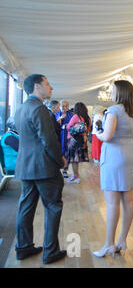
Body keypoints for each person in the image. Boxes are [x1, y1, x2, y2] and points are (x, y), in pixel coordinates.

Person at [14, 74, 67, 264]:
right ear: (37, 86)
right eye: (47, 84)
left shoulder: (20, 109)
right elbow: (48, 140)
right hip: (44, 167)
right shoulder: (40, 109)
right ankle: (50, 251)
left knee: (26, 208)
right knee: (53, 207)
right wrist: (60, 160)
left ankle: (24, 247)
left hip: (26, 166)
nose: (51, 88)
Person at [93, 80, 133, 258]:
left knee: (112, 202)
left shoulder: (113, 111)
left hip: (113, 157)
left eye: (112, 90)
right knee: (128, 200)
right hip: (129, 156)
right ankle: (122, 240)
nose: (111, 93)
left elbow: (107, 136)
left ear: (120, 92)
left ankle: (108, 244)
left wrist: (97, 132)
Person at [65, 102, 91, 183]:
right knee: (77, 159)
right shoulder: (87, 118)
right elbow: (88, 129)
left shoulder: (76, 116)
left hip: (73, 140)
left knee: (73, 159)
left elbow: (69, 127)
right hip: (82, 140)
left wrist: (66, 126)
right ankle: (76, 175)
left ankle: (75, 176)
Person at [54, 100, 73, 178]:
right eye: (63, 106)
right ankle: (56, 170)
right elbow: (53, 124)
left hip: (67, 136)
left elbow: (73, 124)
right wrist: (60, 118)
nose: (64, 107)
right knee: (58, 153)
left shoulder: (71, 115)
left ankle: (65, 170)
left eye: (66, 106)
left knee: (66, 153)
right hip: (58, 136)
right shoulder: (56, 114)